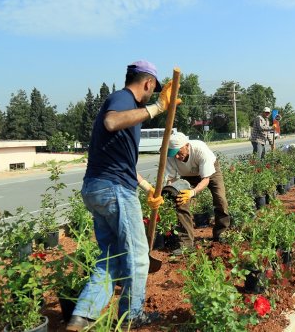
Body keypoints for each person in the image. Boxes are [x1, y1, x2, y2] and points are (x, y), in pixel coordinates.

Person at [67, 60, 180, 331]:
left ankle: (81, 316)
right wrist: (158, 108)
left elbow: (122, 165)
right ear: (148, 83)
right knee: (139, 255)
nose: (153, 97)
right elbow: (111, 121)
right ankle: (132, 314)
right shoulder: (123, 98)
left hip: (97, 187)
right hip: (113, 189)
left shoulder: (127, 106)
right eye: (153, 92)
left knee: (112, 258)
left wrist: (148, 189)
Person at [164, 132, 230, 249]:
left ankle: (221, 232)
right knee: (180, 202)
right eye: (174, 154)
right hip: (187, 176)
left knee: (220, 199)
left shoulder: (200, 150)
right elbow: (171, 179)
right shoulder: (171, 156)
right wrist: (172, 193)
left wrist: (192, 192)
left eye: (179, 153)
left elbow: (206, 179)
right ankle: (186, 243)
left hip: (210, 173)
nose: (177, 157)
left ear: (187, 146)